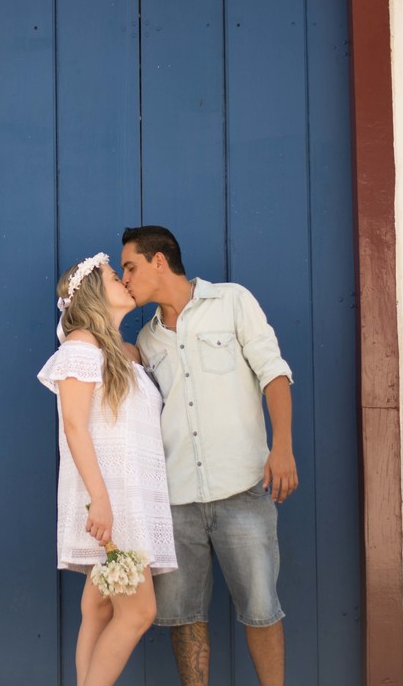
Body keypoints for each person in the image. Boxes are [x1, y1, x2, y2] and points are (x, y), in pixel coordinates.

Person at [119, 226, 297, 686]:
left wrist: (282, 446)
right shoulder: (147, 341)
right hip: (176, 501)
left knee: (261, 608)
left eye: (130, 267)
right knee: (185, 617)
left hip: (242, 490)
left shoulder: (233, 302)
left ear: (160, 261)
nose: (126, 279)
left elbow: (273, 372)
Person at [37, 252, 177, 686]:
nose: (125, 282)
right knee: (139, 611)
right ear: (96, 292)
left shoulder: (128, 352)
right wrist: (99, 500)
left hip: (132, 497)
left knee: (98, 609)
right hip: (109, 500)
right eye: (117, 277)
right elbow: (75, 427)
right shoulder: (81, 346)